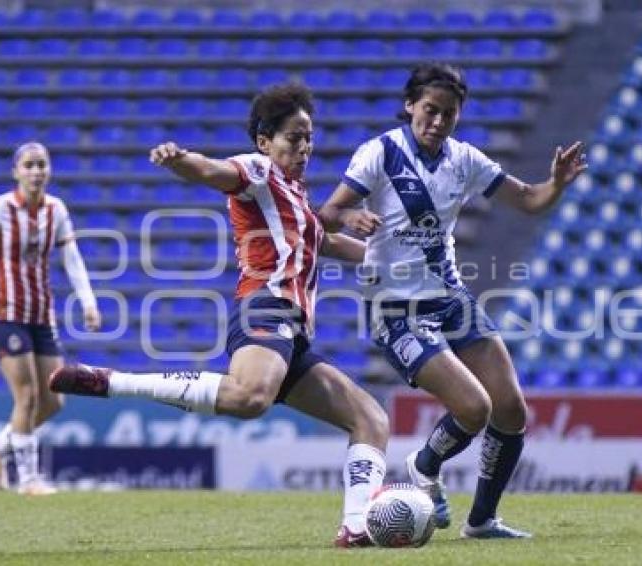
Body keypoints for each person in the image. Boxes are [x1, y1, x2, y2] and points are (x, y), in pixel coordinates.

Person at [49, 82, 389, 548]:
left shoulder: (295, 195)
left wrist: (385, 259)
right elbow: (213, 171)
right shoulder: (260, 170)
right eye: (294, 136)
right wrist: (179, 158)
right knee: (250, 398)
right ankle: (112, 381)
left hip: (293, 334)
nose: (305, 147)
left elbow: (323, 241)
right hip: (265, 308)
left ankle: (356, 527)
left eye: (309, 137)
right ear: (265, 141)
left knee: (371, 419)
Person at [319, 63, 587, 539]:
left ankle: (482, 520)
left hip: (449, 297)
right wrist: (350, 216)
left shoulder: (464, 159)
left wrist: (557, 185)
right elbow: (329, 212)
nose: (438, 121)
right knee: (475, 408)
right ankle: (425, 465)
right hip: (396, 311)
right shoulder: (380, 153)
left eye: (449, 113)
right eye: (430, 110)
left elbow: (526, 200)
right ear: (410, 106)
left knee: (511, 409)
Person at [0, 142, 102, 495]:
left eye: (42, 164)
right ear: (16, 172)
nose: (36, 171)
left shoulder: (56, 210)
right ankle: (29, 479)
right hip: (7, 315)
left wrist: (88, 302)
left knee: (54, 399)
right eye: (29, 165)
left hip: (41, 315)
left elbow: (72, 259)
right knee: (26, 397)